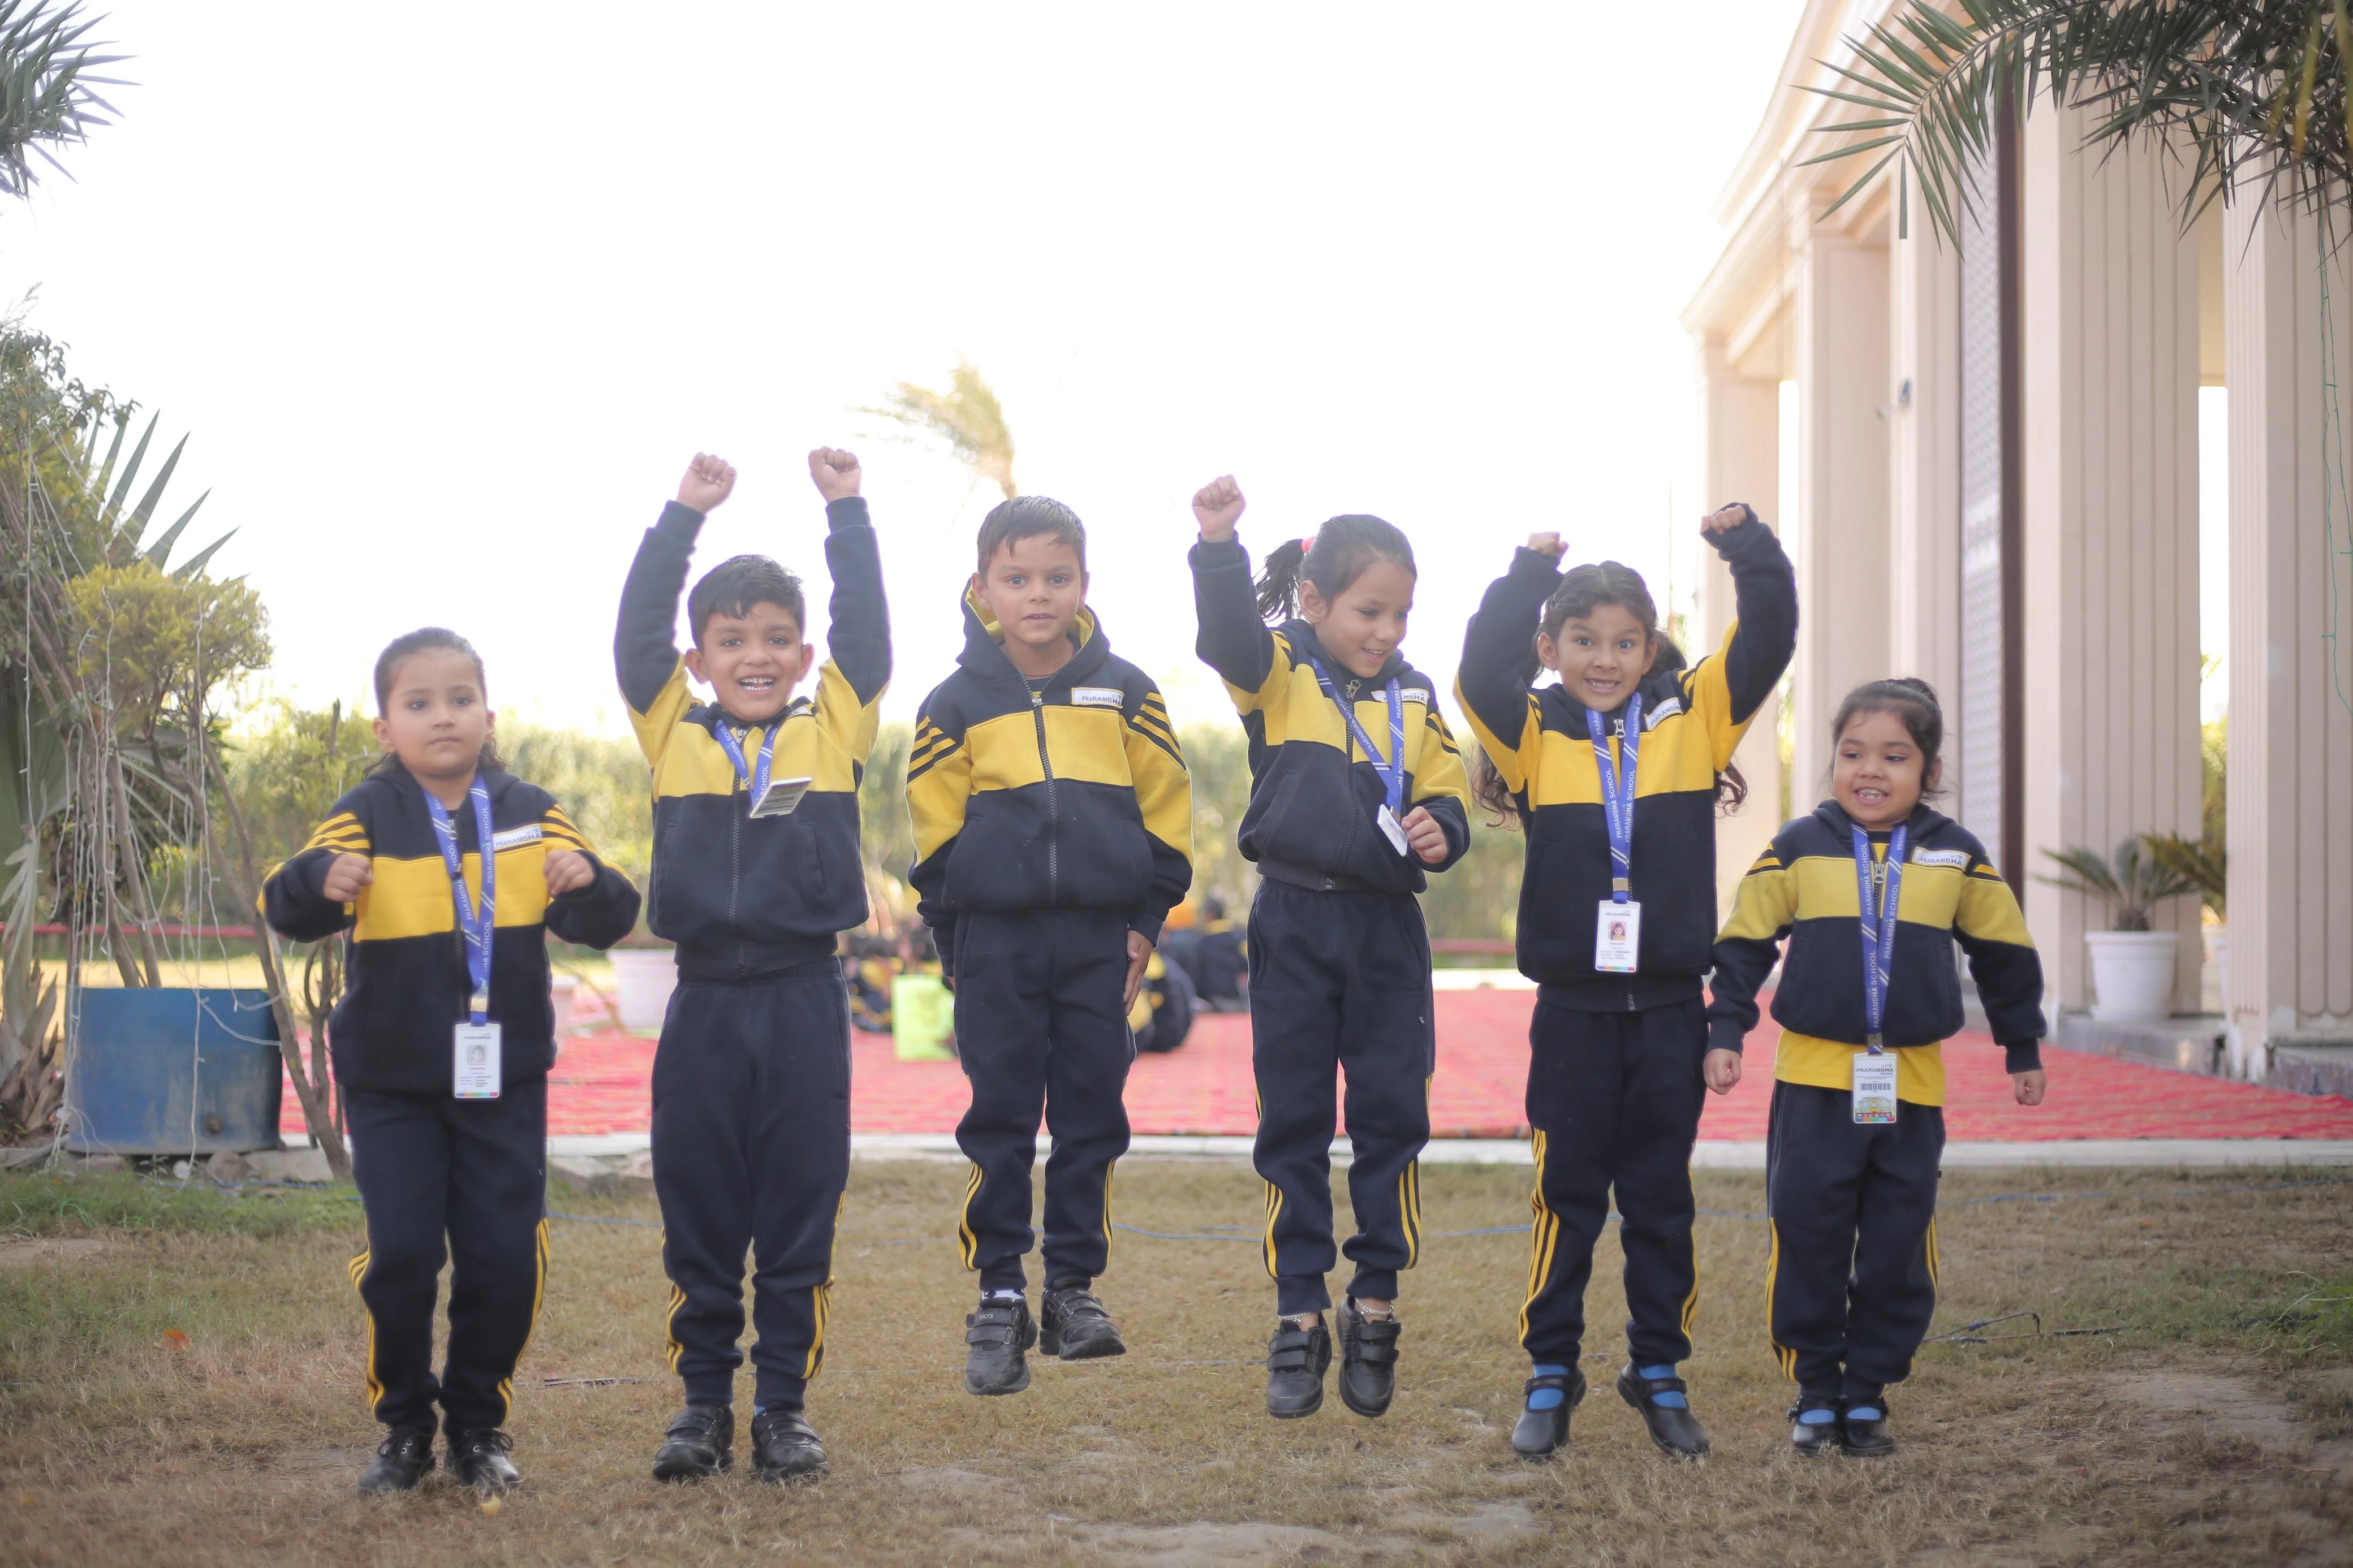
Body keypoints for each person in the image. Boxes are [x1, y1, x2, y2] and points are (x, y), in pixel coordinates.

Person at [263, 628, 640, 1497]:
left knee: (504, 1258)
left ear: (489, 717)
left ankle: (477, 1425)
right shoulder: (366, 811)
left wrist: (587, 879)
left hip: (503, 1080)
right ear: (386, 727)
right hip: (392, 1084)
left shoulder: (531, 810)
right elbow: (286, 901)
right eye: (419, 703)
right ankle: (404, 1426)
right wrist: (319, 880)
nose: (443, 717)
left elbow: (607, 917)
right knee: (401, 1253)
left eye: (460, 699)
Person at [1455, 504, 1795, 1461]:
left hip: (1669, 1015)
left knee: (1660, 1202)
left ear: (1650, 650)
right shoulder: (1531, 733)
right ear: (1550, 648)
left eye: (1623, 642)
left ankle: (1658, 1369)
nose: (1604, 659)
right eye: (1583, 640)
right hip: (1572, 1014)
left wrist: (1747, 550)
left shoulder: (1695, 719)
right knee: (1566, 1201)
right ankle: (1551, 1372)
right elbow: (1477, 673)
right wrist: (1527, 573)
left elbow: (1770, 636)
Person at [614, 448, 890, 1484]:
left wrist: (847, 510)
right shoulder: (671, 732)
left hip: (803, 998)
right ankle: (700, 1408)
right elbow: (636, 631)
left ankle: (782, 1409)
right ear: (699, 660)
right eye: (731, 641)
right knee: (699, 1208)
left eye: (777, 639)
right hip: (703, 1006)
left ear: (806, 653)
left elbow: (869, 632)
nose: (756, 656)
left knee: (798, 1206)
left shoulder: (836, 729)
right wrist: (684, 516)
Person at [1187, 474, 1471, 1423]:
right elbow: (1226, 636)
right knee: (1295, 1122)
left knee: (1393, 1119)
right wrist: (1218, 546)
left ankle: (1375, 1301)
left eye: (1400, 614)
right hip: (1293, 923)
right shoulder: (1277, 673)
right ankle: (1299, 1310)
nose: (1387, 631)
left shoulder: (1416, 696)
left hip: (1387, 932)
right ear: (1314, 601)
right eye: (1368, 611)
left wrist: (1440, 828)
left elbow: (1446, 789)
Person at [1709, 679, 2047, 1459]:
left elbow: (2004, 953)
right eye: (1853, 753)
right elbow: (1744, 941)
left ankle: (1866, 1393)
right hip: (1812, 1084)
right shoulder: (1800, 844)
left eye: (1895, 756)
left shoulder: (1956, 853)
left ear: (1929, 771)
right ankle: (1815, 1391)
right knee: (1809, 1234)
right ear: (1832, 762)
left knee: (1898, 1243)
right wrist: (1725, 1028)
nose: (1871, 770)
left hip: (1910, 1086)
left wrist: (2022, 1045)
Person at [906, 493, 1193, 1397]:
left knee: (1091, 1118)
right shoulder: (952, 704)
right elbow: (934, 841)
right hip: (996, 943)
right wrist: (956, 947)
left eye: (1056, 578)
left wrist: (1146, 922)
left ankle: (1073, 1290)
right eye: (1018, 578)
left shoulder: (1129, 692)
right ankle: (999, 1294)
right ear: (983, 588)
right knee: (998, 1121)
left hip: (1100, 943)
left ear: (1084, 584)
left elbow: (1168, 814)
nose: (1038, 595)